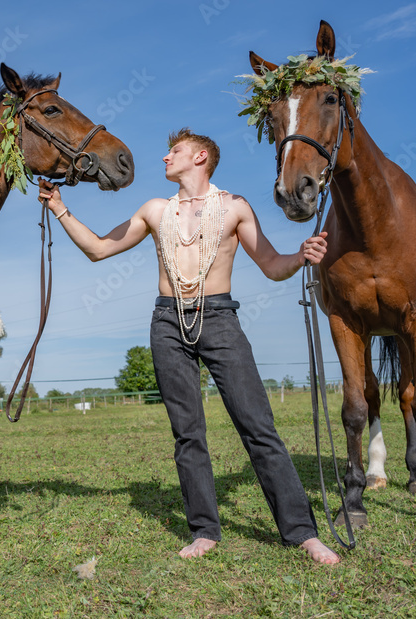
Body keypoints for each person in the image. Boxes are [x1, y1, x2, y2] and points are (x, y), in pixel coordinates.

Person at [37, 128, 339, 565]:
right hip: (167, 321)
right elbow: (99, 249)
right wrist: (60, 208)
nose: (164, 158)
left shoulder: (234, 207)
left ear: (200, 157)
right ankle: (204, 530)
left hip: (220, 318)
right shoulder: (156, 210)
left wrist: (302, 255)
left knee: (258, 427)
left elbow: (273, 266)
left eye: (172, 151)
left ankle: (303, 533)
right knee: (187, 433)